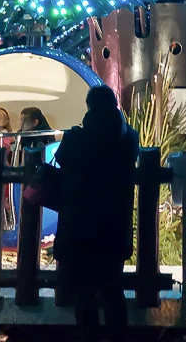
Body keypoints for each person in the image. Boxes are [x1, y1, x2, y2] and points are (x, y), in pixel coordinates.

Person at [53, 85, 139, 342]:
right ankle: (118, 337)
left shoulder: (77, 138)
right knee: (113, 288)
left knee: (84, 291)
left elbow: (62, 160)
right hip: (114, 223)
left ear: (89, 106)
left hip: (80, 224)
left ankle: (88, 335)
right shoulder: (129, 138)